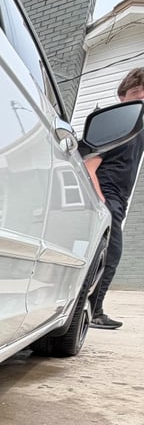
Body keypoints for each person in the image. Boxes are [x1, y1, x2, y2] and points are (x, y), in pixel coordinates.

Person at [83, 67, 144, 329]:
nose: (141, 97)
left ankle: (91, 310)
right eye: (136, 92)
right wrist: (102, 205)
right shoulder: (114, 126)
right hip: (106, 198)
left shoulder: (136, 130)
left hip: (118, 200)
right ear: (122, 96)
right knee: (110, 255)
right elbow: (89, 167)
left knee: (106, 255)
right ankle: (93, 312)